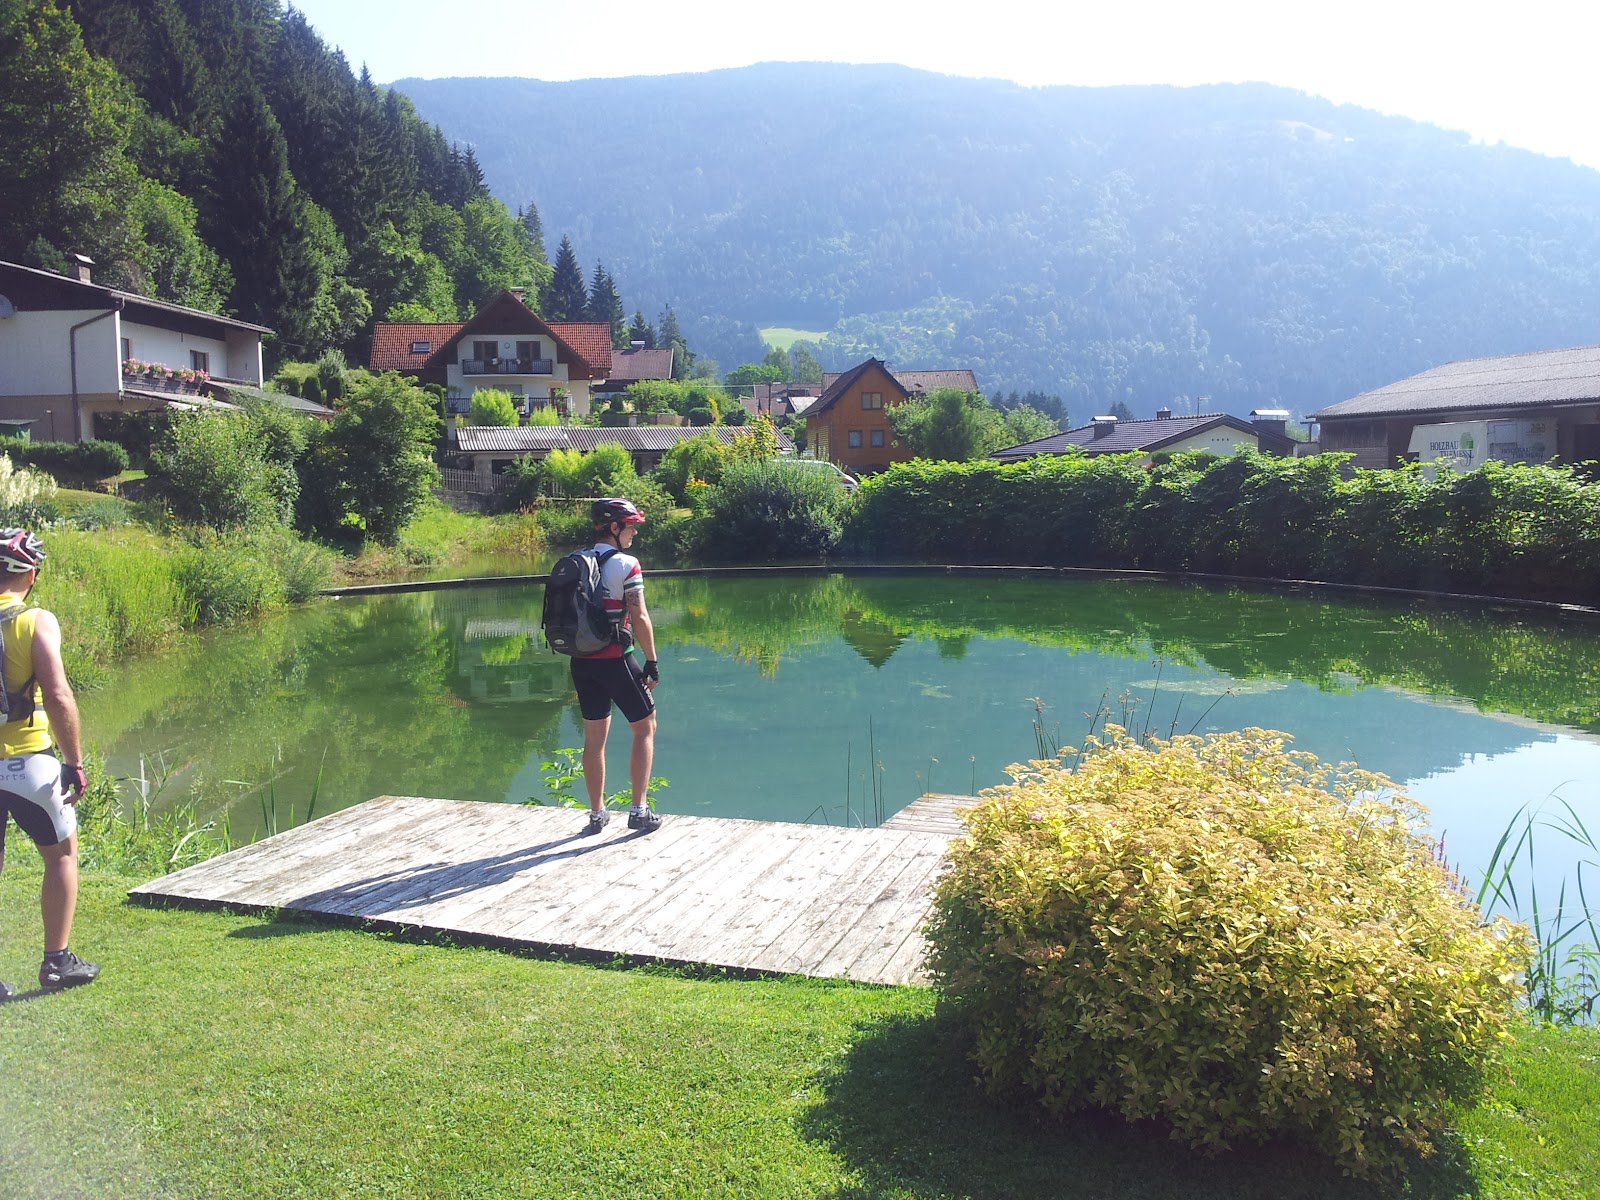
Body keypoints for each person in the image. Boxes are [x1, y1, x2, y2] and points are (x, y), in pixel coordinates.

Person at [0, 528, 98, 998]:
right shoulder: (35, 621)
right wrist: (74, 760)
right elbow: (57, 694)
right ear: (31, 575)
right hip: (28, 764)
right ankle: (57, 963)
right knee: (61, 854)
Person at [571, 498, 662, 834]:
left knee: (594, 738)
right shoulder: (627, 564)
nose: (635, 531)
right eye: (631, 525)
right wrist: (651, 661)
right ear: (614, 527)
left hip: (581, 662)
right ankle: (639, 810)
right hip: (615, 660)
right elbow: (638, 615)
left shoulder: (576, 561)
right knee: (645, 727)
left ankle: (597, 815)